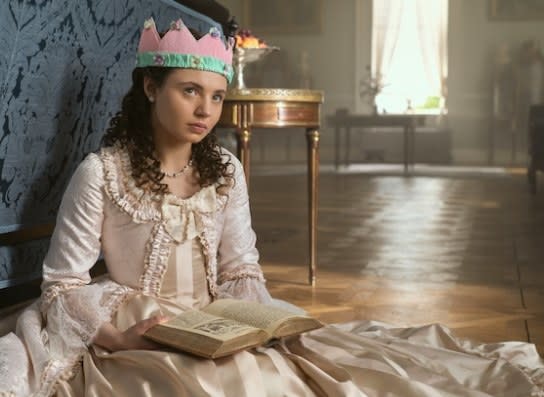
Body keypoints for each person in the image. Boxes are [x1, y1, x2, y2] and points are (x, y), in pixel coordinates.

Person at [1, 17, 543, 397]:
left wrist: (257, 321)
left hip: (214, 317)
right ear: (149, 86)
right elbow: (63, 286)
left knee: (285, 367)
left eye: (216, 96)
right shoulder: (102, 172)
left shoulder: (226, 170)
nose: (205, 110)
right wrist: (116, 338)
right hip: (143, 320)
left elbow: (240, 268)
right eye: (189, 91)